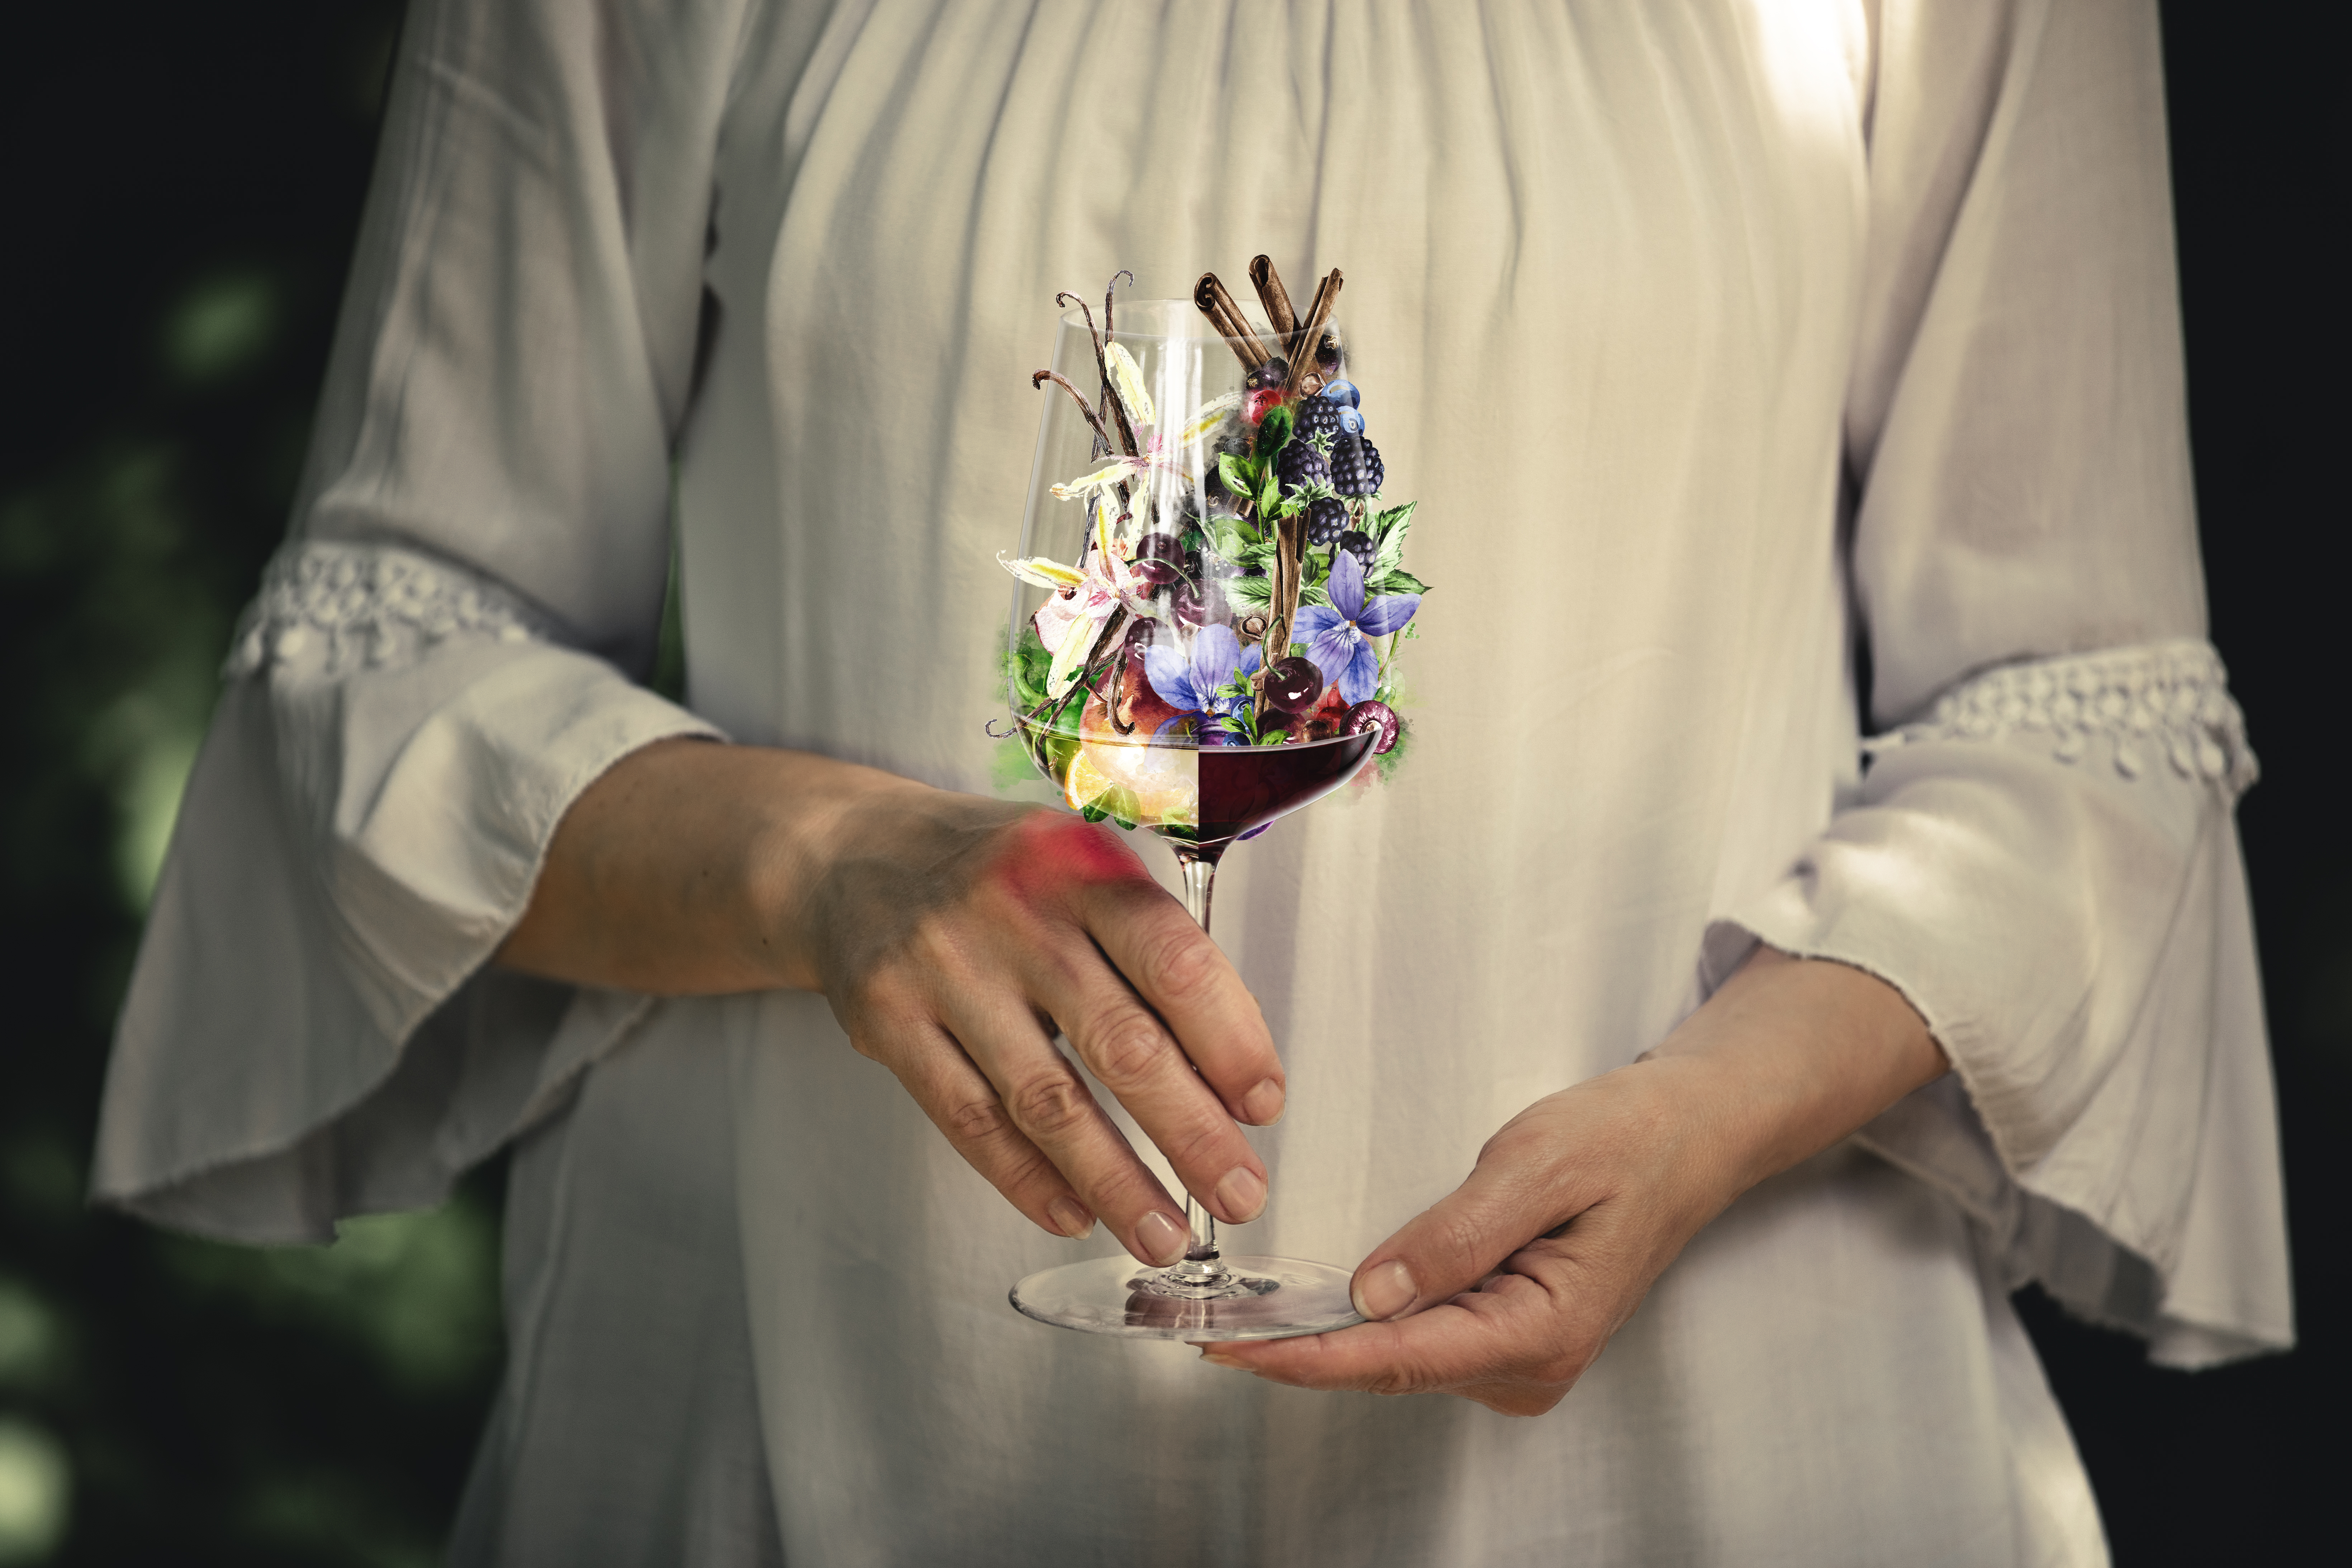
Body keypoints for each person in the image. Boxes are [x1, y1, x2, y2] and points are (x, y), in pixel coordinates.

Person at [95, 0, 2291, 1562]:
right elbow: (379, 655)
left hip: (1729, 1470)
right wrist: (826, 862)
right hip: (801, 1429)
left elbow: (2084, 709)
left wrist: (1712, 1111)